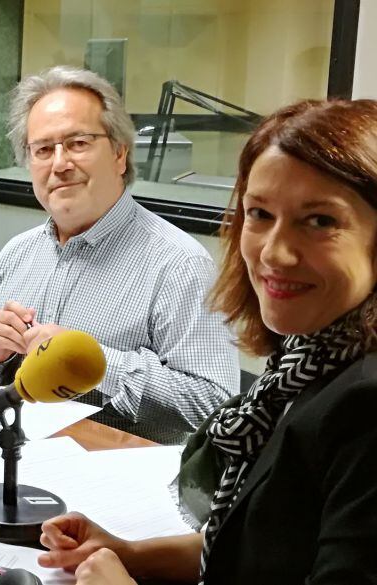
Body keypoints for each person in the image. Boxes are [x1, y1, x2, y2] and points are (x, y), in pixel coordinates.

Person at [37, 99, 377, 584]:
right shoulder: (311, 355)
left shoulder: (364, 406)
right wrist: (129, 552)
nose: (275, 253)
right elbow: (261, 541)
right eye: (259, 214)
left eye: (320, 221)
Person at [0, 66, 237, 443]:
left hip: (113, 476)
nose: (59, 164)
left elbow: (213, 406)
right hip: (9, 451)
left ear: (120, 154)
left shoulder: (179, 265)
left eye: (78, 144)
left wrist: (94, 364)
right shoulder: (17, 252)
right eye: (43, 150)